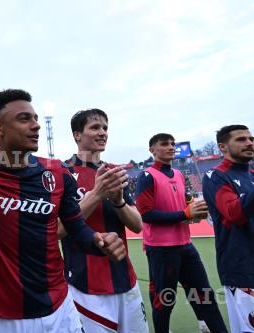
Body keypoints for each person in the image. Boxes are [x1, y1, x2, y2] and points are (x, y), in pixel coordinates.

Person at [0, 89, 126, 333]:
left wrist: (100, 242)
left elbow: (77, 229)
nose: (36, 126)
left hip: (60, 306)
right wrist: (0, 251)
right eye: (24, 118)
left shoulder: (58, 174)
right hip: (6, 314)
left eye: (36, 119)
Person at [60, 109, 148, 332]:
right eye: (95, 127)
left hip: (125, 280)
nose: (102, 133)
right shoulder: (61, 172)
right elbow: (58, 229)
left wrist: (118, 201)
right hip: (84, 286)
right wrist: (97, 194)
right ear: (77, 135)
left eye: (105, 128)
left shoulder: (114, 172)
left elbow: (137, 225)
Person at [135, 133, 228, 333]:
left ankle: (209, 326)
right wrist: (185, 213)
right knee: (164, 301)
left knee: (204, 295)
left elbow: (183, 202)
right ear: (152, 150)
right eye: (164, 144)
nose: (170, 147)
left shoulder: (178, 174)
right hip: (161, 250)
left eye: (172, 144)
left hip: (186, 245)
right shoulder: (146, 176)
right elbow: (146, 214)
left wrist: (193, 209)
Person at [201, 125, 254, 333]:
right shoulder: (215, 176)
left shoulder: (251, 175)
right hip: (242, 270)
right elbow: (234, 212)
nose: (249, 143)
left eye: (251, 138)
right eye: (241, 139)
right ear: (223, 147)